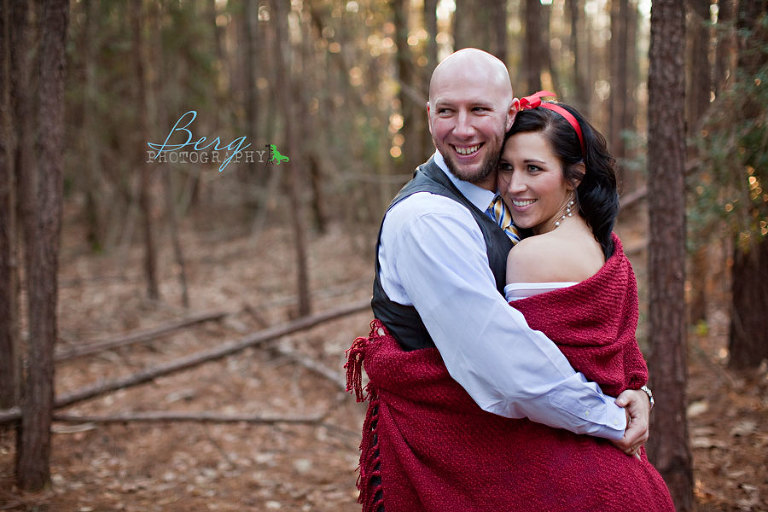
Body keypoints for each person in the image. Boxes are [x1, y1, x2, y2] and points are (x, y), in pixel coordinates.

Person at [345, 49, 654, 512]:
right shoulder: (428, 219)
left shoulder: (513, 196)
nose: (462, 129)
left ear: (510, 115)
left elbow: (595, 321)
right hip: (449, 447)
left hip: (516, 434)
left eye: (479, 110)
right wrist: (611, 418)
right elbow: (503, 362)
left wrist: (638, 390)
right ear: (428, 116)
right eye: (446, 111)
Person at [496, 92, 674, 509]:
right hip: (621, 473)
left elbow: (519, 377)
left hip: (577, 479)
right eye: (506, 167)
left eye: (533, 168)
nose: (514, 185)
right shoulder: (603, 246)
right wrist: (643, 394)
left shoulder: (532, 256)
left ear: (574, 176)